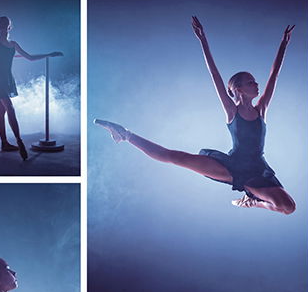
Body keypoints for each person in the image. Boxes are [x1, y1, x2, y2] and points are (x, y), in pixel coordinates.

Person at [94, 16, 297, 214]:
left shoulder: (260, 109)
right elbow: (214, 75)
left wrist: (283, 45)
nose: (257, 84)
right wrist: (203, 41)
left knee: (288, 207)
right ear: (238, 89)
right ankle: (125, 134)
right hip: (232, 166)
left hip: (258, 168)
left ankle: (252, 202)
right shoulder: (231, 110)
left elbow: (274, 75)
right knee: (174, 156)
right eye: (251, 82)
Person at [0, 0, 63, 160]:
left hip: (8, 78)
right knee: (9, 108)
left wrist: (49, 54)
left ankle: (4, 143)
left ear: (9, 27)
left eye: (5, 25)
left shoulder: (13, 44)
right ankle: (19, 141)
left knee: (1, 111)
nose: (3, 27)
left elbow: (30, 57)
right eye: (1, 25)